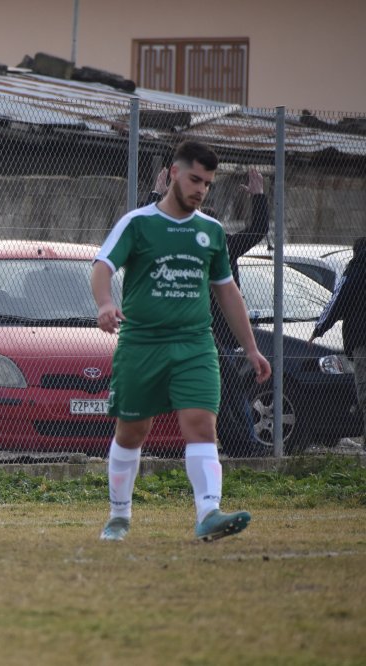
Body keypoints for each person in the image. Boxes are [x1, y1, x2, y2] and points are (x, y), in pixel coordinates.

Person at [92, 140, 272, 542]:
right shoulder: (138, 223)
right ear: (174, 173)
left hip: (195, 345)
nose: (200, 190)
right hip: (142, 344)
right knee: (132, 432)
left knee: (201, 426)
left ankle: (208, 512)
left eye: (207, 184)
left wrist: (251, 347)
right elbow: (102, 265)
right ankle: (119, 515)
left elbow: (227, 292)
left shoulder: (210, 232)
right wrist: (105, 303)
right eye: (195, 179)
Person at [147, 166, 271, 449]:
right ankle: (238, 444)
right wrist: (258, 196)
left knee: (229, 389)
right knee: (225, 390)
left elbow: (256, 231)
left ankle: (241, 443)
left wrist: (157, 194)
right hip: (197, 334)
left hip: (218, 335)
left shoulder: (223, 246)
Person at [310, 237, 366, 443]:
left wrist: (319, 329)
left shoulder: (357, 269)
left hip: (362, 340)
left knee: (364, 392)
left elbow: (338, 300)